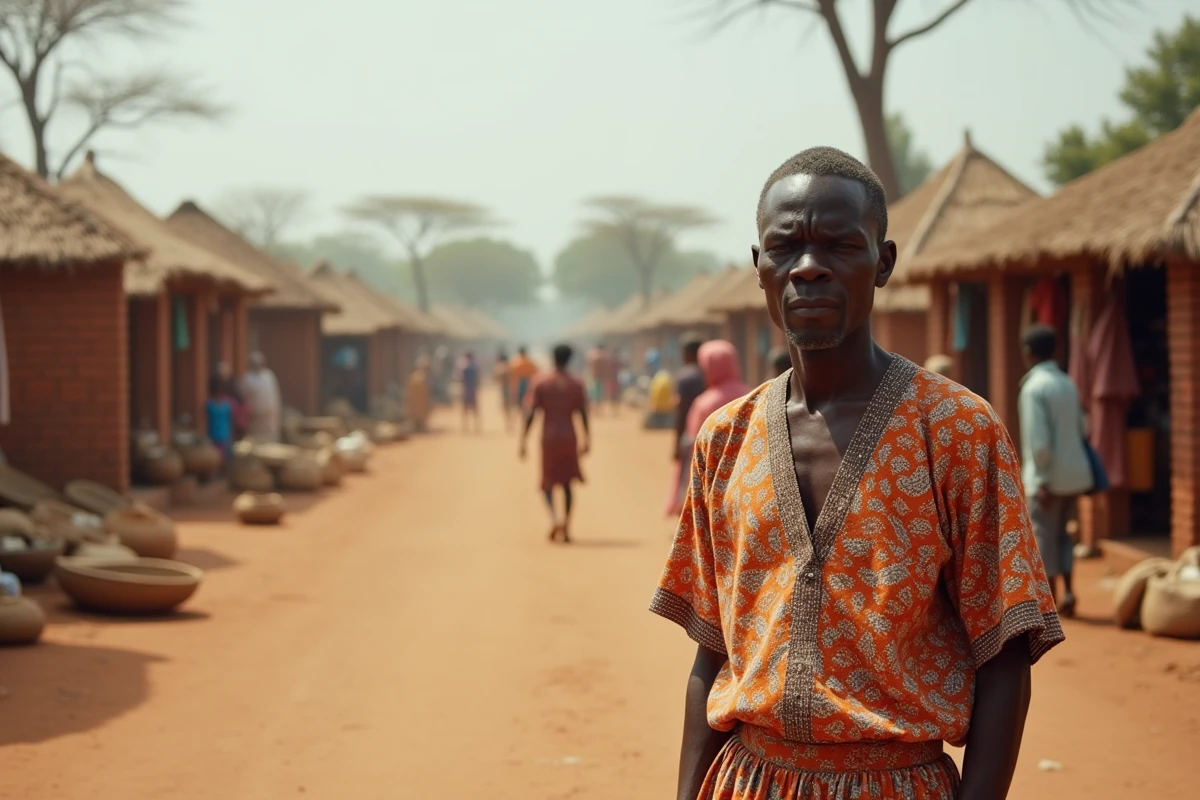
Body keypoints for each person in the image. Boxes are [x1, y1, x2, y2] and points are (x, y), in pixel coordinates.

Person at [651, 147, 1063, 800]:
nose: (808, 268)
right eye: (785, 247)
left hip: (898, 784)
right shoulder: (726, 439)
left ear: (884, 263)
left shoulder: (957, 430)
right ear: (759, 267)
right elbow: (713, 650)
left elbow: (1005, 654)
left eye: (840, 246)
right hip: (746, 782)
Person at [1018, 324, 1093, 619]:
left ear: (1027, 353)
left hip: (1047, 479)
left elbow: (1039, 443)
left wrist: (1043, 479)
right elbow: (1082, 429)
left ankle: (1050, 601)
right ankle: (1070, 591)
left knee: (1043, 537)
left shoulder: (1033, 388)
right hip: (1074, 475)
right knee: (1063, 536)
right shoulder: (1067, 383)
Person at [665, 340, 748, 517]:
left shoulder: (704, 403)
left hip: (713, 474)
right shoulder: (751, 394)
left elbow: (694, 443)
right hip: (746, 470)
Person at [519, 344, 589, 544]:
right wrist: (587, 439)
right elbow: (582, 413)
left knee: (547, 482)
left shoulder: (541, 383)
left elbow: (532, 412)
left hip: (549, 437)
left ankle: (554, 517)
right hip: (569, 436)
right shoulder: (576, 384)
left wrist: (523, 440)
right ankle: (566, 525)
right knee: (567, 483)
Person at [241, 352, 282, 443]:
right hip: (255, 418)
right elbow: (244, 398)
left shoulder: (269, 376)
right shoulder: (247, 378)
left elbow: (275, 395)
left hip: (270, 416)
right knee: (257, 441)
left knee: (270, 440)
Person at [205, 376, 235, 464]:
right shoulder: (210, 405)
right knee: (213, 459)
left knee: (225, 459)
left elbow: (231, 420)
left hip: (224, 436)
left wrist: (231, 435)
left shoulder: (227, 405)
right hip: (213, 436)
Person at [407, 355, 433, 433]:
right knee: (420, 416)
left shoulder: (413, 376)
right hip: (420, 403)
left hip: (415, 403)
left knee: (417, 416)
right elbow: (426, 393)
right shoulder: (422, 378)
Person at [509, 346, 539, 412]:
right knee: (527, 401)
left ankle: (523, 413)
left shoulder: (516, 363)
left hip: (520, 385)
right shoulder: (530, 362)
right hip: (529, 383)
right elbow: (536, 373)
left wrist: (513, 389)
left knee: (521, 402)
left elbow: (513, 376)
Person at [459, 351, 481, 434]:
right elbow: (478, 379)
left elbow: (461, 379)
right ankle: (476, 427)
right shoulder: (475, 367)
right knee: (475, 410)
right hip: (473, 390)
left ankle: (465, 427)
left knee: (465, 410)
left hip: (466, 390)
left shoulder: (463, 367)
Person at [494, 349, 513, 432]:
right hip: (510, 388)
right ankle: (509, 422)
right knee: (509, 407)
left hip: (505, 389)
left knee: (506, 407)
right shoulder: (510, 366)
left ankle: (508, 423)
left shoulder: (500, 367)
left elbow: (495, 378)